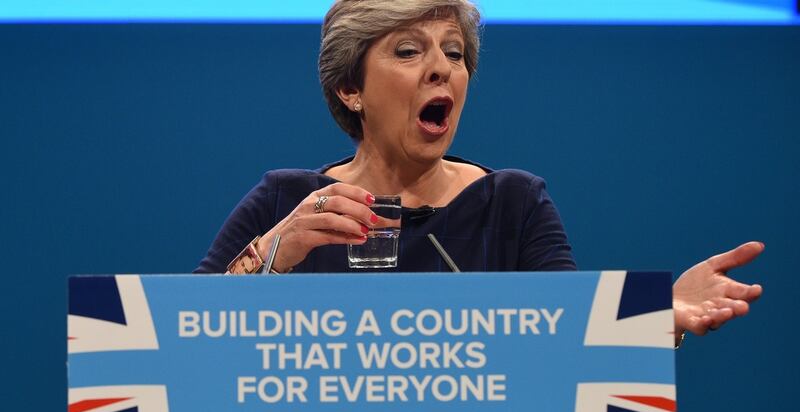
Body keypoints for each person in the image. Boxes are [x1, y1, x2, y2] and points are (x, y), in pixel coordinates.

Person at [195, 0, 763, 345]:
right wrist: (273, 255)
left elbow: (565, 343)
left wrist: (657, 317)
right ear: (351, 89)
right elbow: (182, 343)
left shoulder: (513, 204)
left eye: (455, 52)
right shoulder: (286, 201)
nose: (442, 68)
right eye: (410, 51)